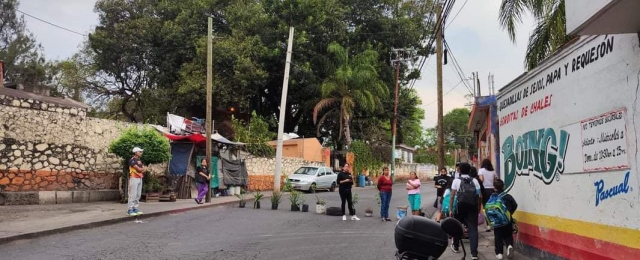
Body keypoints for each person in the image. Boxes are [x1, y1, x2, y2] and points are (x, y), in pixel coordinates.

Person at [448, 162, 482, 260]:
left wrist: (451, 209)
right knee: (473, 229)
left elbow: (452, 196)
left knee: (457, 226)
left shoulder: (456, 181)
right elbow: (480, 196)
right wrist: (478, 208)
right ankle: (474, 254)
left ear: (460, 170)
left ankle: (456, 246)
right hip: (472, 207)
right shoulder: (475, 180)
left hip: (460, 207)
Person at [492, 179, 518, 259]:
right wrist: (509, 213)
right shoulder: (508, 196)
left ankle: (499, 253)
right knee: (508, 234)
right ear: (503, 187)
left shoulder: (492, 197)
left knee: (498, 236)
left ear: (494, 187)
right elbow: (515, 205)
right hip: (507, 219)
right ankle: (509, 245)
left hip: (497, 221)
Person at [479, 159, 498, 231]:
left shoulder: (481, 170)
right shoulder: (493, 171)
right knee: (493, 207)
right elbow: (496, 179)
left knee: (486, 208)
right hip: (492, 190)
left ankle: (488, 224)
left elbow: (481, 179)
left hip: (485, 190)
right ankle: (494, 222)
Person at [127, 147, 147, 216]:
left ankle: (135, 208)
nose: (141, 153)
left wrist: (142, 169)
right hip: (134, 178)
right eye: (140, 152)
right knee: (133, 194)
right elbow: (139, 169)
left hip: (140, 178)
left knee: (138, 194)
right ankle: (130, 209)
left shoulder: (140, 161)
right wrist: (142, 169)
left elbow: (145, 169)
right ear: (135, 152)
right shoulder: (132, 160)